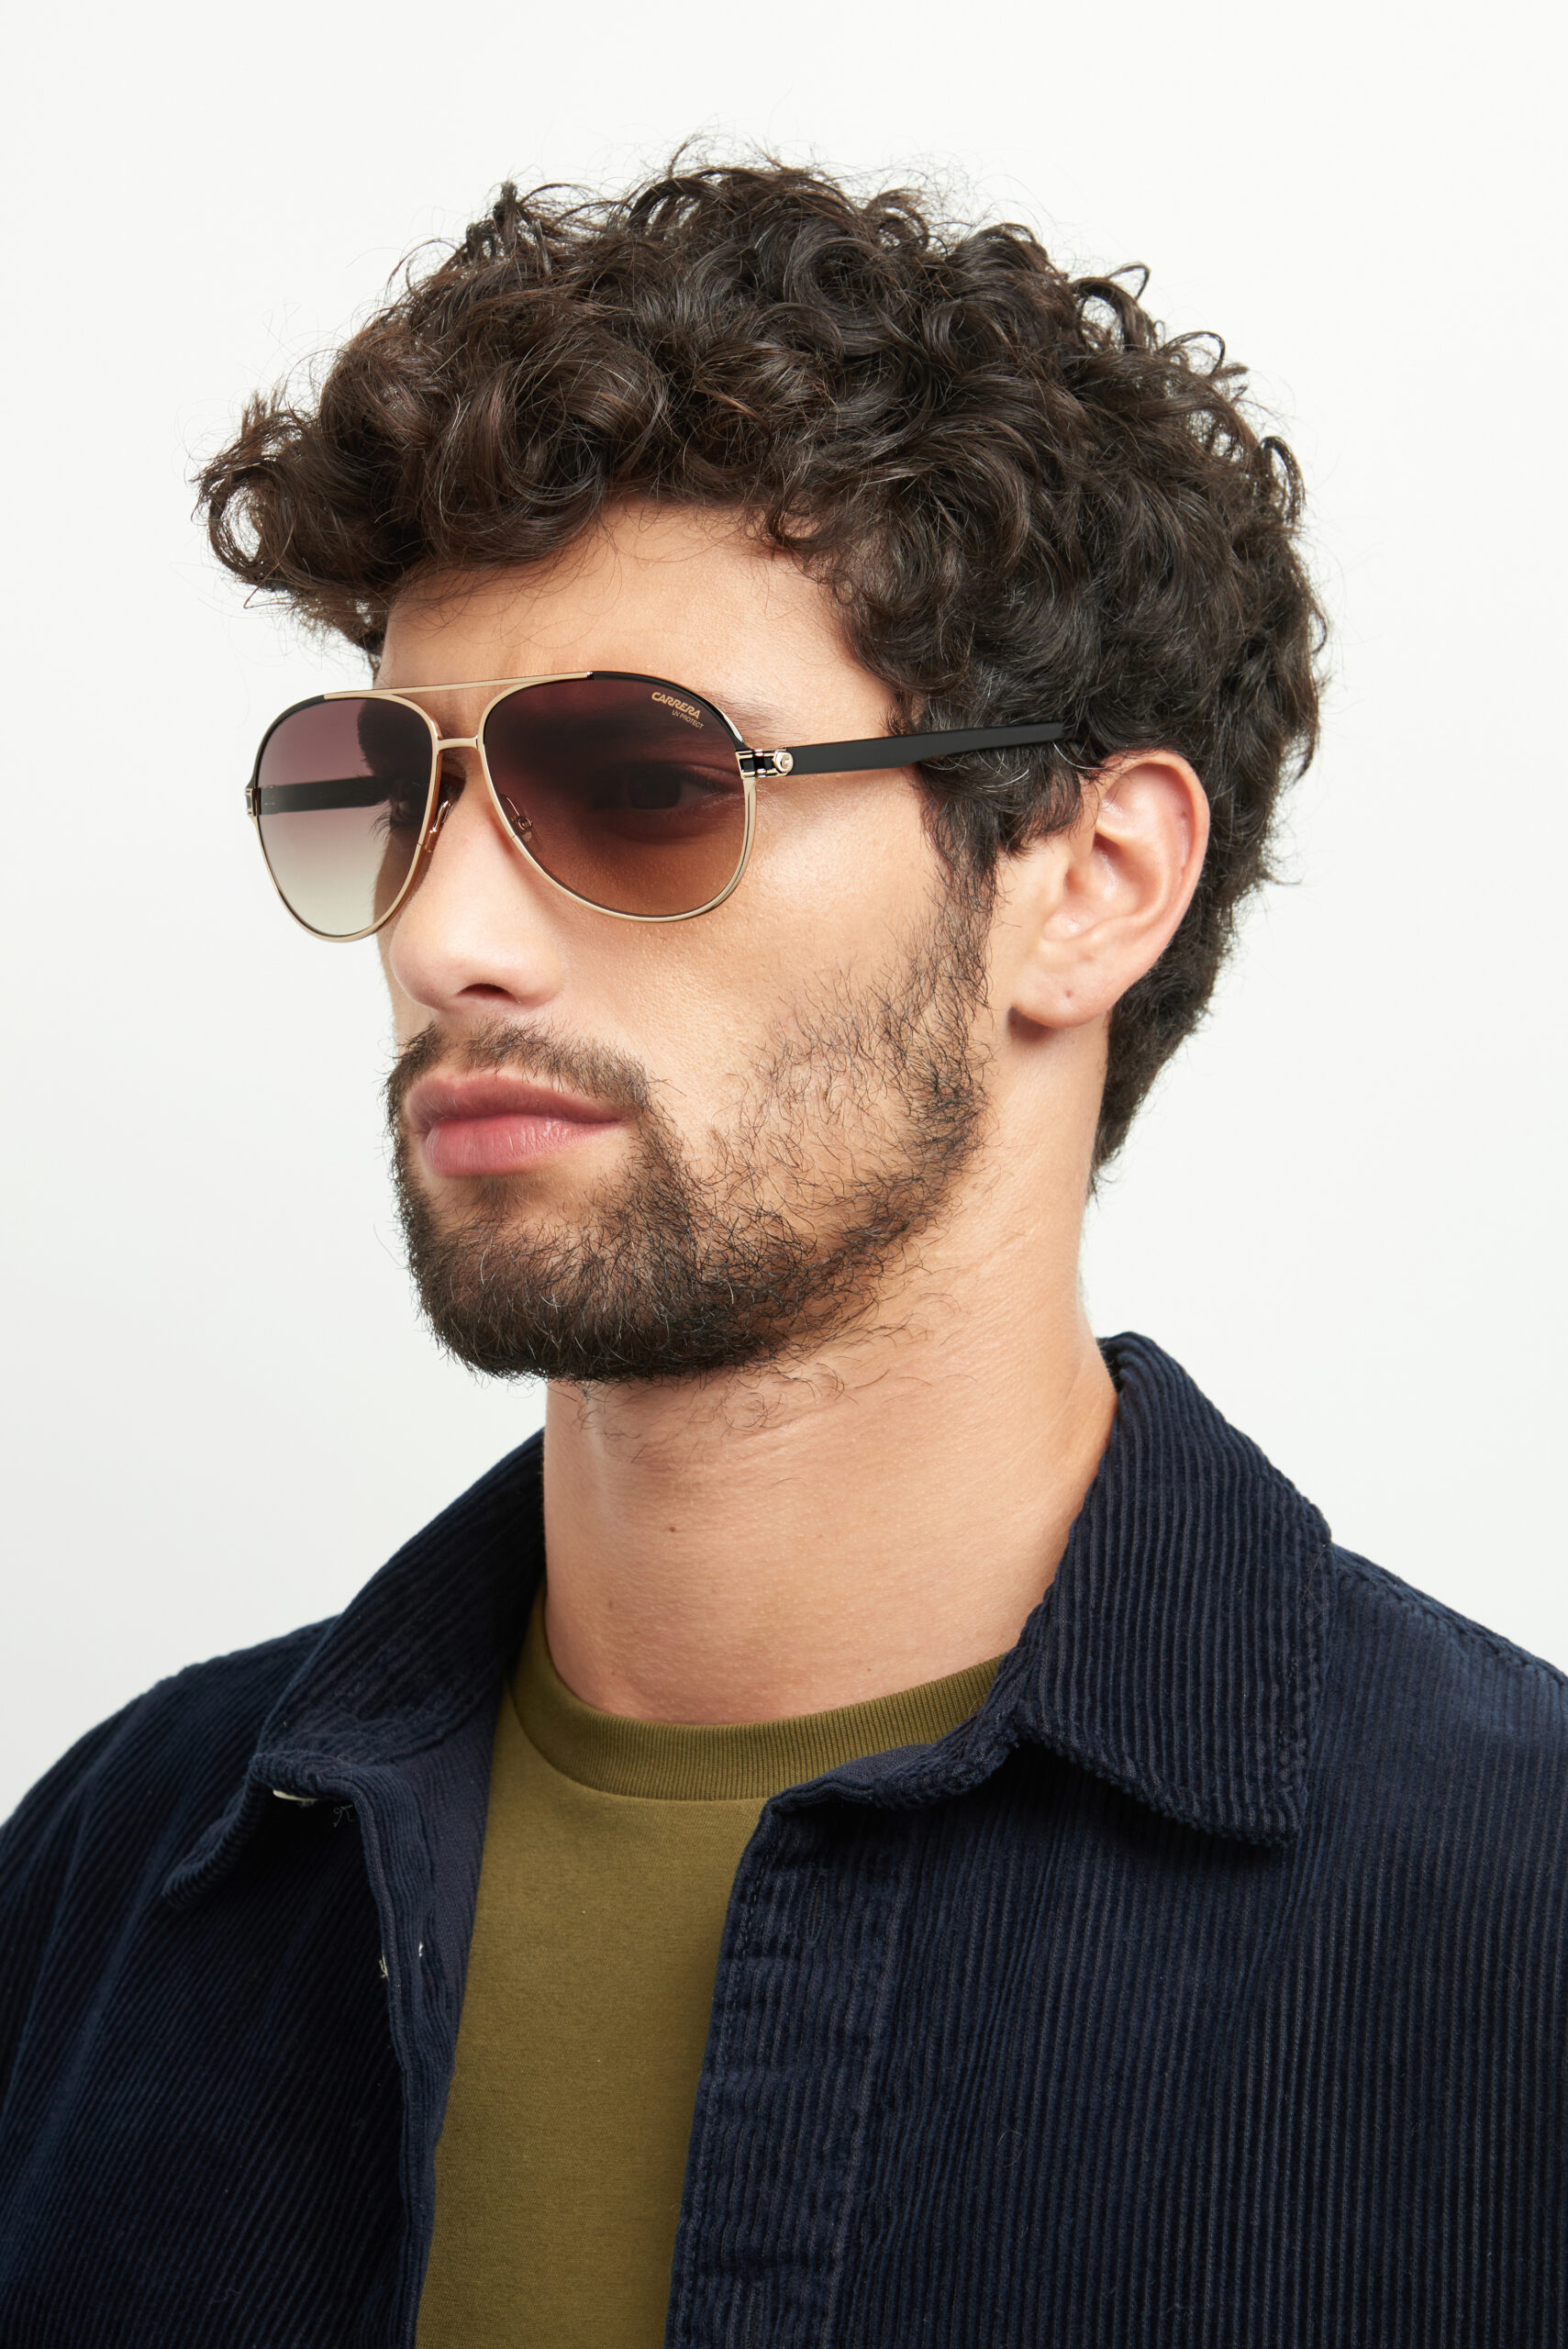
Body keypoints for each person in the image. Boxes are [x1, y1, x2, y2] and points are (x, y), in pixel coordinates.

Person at [1, 161, 1562, 2349]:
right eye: (393, 786)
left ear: (1089, 879)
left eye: (640, 782)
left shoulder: (1513, 1928)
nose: (445, 938)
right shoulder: (115, 1879)